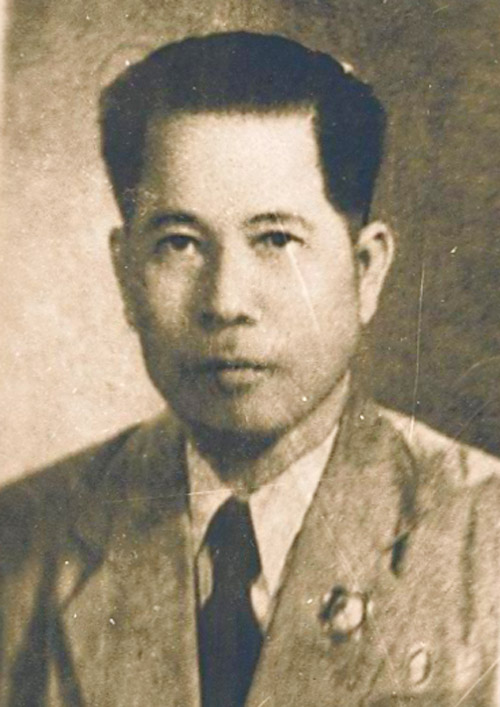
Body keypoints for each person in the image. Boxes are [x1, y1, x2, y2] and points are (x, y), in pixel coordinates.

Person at [1, 31, 499, 707]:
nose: (225, 301)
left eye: (276, 240)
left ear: (366, 270)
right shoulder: (21, 542)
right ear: (125, 275)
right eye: (179, 243)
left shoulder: (485, 542)